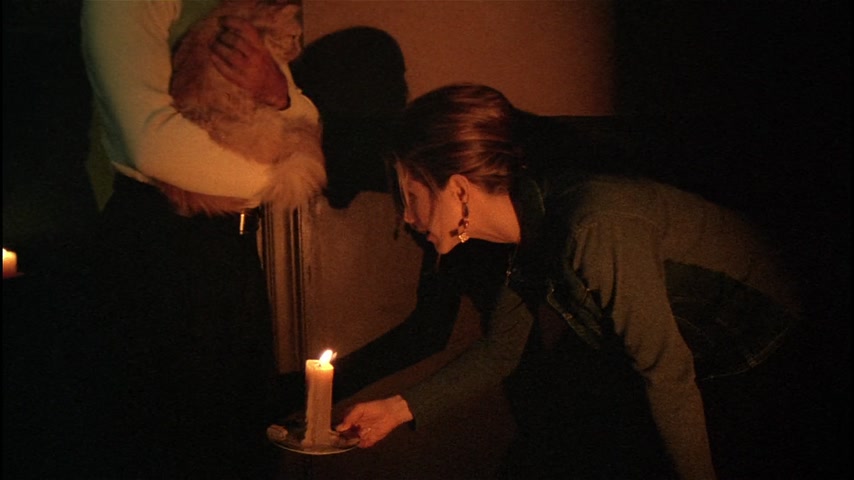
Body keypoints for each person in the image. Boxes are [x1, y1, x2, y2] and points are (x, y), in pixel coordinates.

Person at [334, 84, 815, 479]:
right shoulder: (526, 229)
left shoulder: (593, 225)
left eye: (411, 195)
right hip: (682, 357)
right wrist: (396, 409)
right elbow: (501, 350)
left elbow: (666, 372)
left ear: (458, 189)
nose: (406, 216)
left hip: (760, 345)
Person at [76, 1, 322, 478]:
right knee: (173, 440)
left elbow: (304, 113)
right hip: (160, 246)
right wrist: (283, 179)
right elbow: (153, 146)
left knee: (242, 436)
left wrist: (278, 94)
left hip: (232, 246)